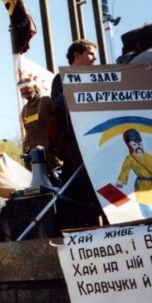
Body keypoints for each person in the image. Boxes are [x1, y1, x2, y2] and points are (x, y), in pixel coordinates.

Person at [50, 39, 106, 229]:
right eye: (90, 53)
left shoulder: (98, 78)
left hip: (100, 139)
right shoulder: (61, 79)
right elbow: (60, 107)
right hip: (77, 143)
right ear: (77, 55)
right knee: (87, 192)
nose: (95, 58)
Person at [18, 78, 59, 171]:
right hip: (32, 155)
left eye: (28, 92)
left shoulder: (47, 101)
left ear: (35, 87)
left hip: (50, 152)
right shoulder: (25, 110)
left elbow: (58, 123)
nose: (26, 96)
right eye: (23, 94)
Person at [116, 129, 152, 218]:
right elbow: (125, 170)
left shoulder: (149, 157)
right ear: (130, 145)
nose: (138, 146)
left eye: (139, 144)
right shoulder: (130, 159)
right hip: (141, 185)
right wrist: (119, 183)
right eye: (134, 145)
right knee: (145, 206)